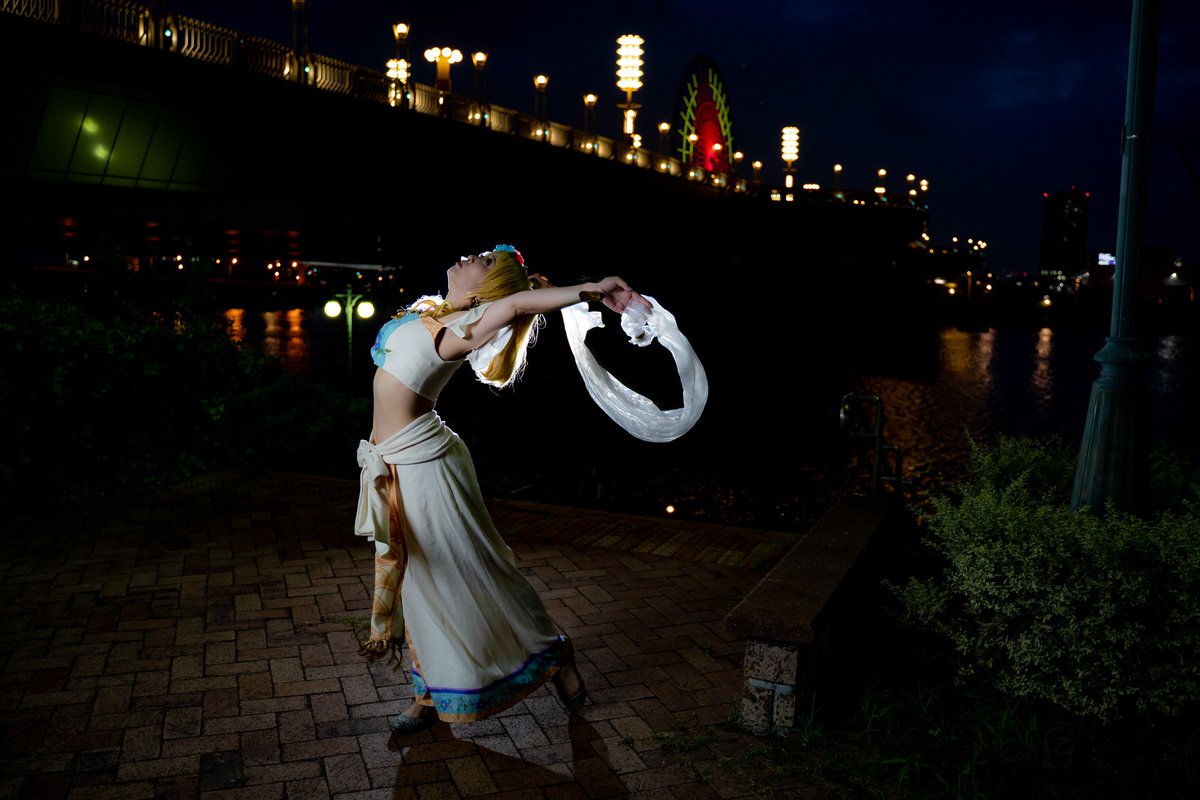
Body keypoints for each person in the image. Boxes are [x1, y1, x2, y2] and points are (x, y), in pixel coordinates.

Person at [353, 244, 648, 734]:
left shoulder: (469, 325)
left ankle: (555, 652)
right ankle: (430, 690)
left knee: (471, 570)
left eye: (486, 260)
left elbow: (517, 304)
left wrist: (590, 290)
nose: (474, 256)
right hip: (397, 460)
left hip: (424, 466)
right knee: (419, 578)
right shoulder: (433, 311)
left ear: (488, 289)